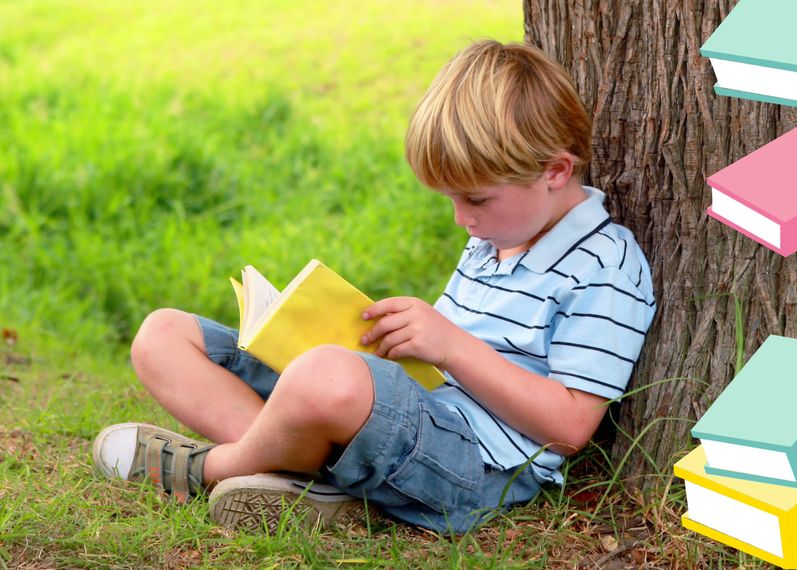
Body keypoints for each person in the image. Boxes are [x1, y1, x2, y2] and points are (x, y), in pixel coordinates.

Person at [92, 39, 656, 534]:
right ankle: (300, 477)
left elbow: (570, 427)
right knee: (163, 334)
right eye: (452, 200)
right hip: (414, 415)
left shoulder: (604, 265)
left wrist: (451, 346)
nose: (462, 219)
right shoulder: (501, 233)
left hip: (473, 468)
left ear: (555, 171)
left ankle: (212, 468)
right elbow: (429, 373)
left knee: (326, 377)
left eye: (475, 199)